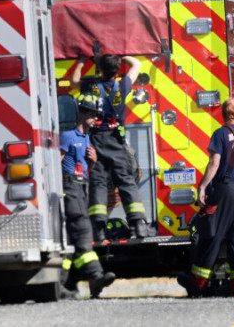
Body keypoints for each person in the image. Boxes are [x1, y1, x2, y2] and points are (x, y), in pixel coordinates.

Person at [177, 98, 234, 299]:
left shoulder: (221, 134)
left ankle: (197, 285)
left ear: (224, 114)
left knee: (211, 235)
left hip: (226, 190)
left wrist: (203, 186)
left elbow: (215, 163)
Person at [71, 55, 150, 241]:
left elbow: (74, 81)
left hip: (95, 140)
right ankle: (138, 225)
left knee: (98, 183)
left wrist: (82, 61)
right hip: (116, 140)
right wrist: (122, 54)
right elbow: (137, 64)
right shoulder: (122, 86)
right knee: (126, 182)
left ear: (100, 69)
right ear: (117, 71)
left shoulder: (91, 87)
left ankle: (98, 229)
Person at [59, 93, 116, 299]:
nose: (95, 118)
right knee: (83, 232)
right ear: (81, 114)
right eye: (92, 114)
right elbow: (57, 163)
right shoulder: (68, 136)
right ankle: (96, 276)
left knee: (69, 242)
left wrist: (92, 162)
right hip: (70, 188)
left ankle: (60, 284)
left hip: (81, 187)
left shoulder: (86, 138)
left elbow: (84, 171)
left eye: (96, 114)